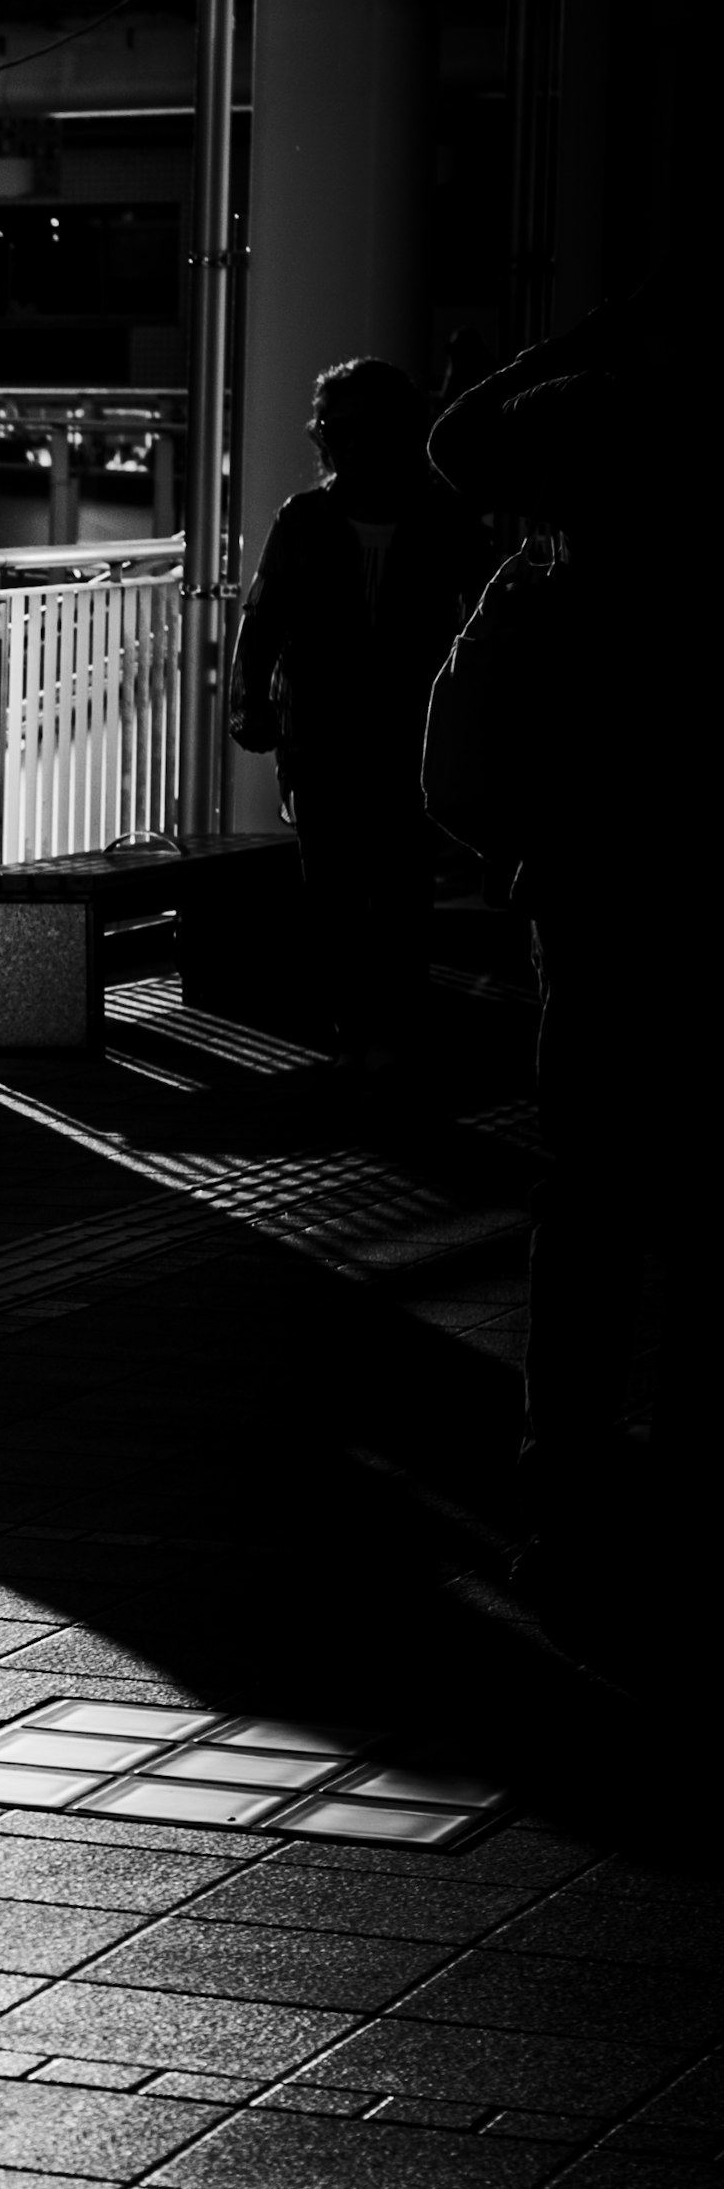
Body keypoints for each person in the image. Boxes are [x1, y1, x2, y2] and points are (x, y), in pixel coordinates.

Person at [421, 327, 679, 1630]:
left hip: (585, 929)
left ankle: (564, 1509)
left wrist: (593, 326)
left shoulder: (533, 599)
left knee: (584, 1214)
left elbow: (452, 777)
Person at [230, 355, 486, 1068]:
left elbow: (488, 621)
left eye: (362, 428)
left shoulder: (440, 517)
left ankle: (381, 1033)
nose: (346, 443)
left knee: (399, 890)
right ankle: (360, 1033)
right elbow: (264, 621)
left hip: (409, 739)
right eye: (335, 429)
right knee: (338, 893)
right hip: (327, 740)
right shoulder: (310, 518)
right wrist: (251, 704)